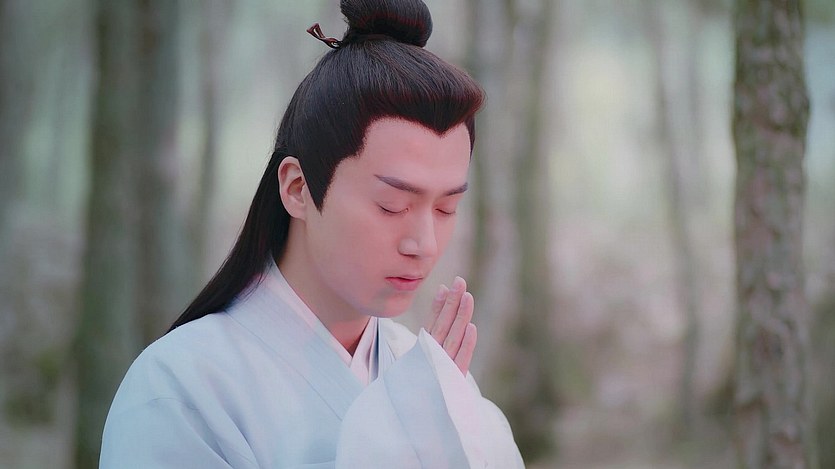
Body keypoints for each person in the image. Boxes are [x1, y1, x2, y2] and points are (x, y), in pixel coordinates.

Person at [100, 0, 524, 467]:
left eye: (446, 208)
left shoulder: (428, 377)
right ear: (298, 188)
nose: (423, 245)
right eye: (392, 205)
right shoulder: (181, 388)